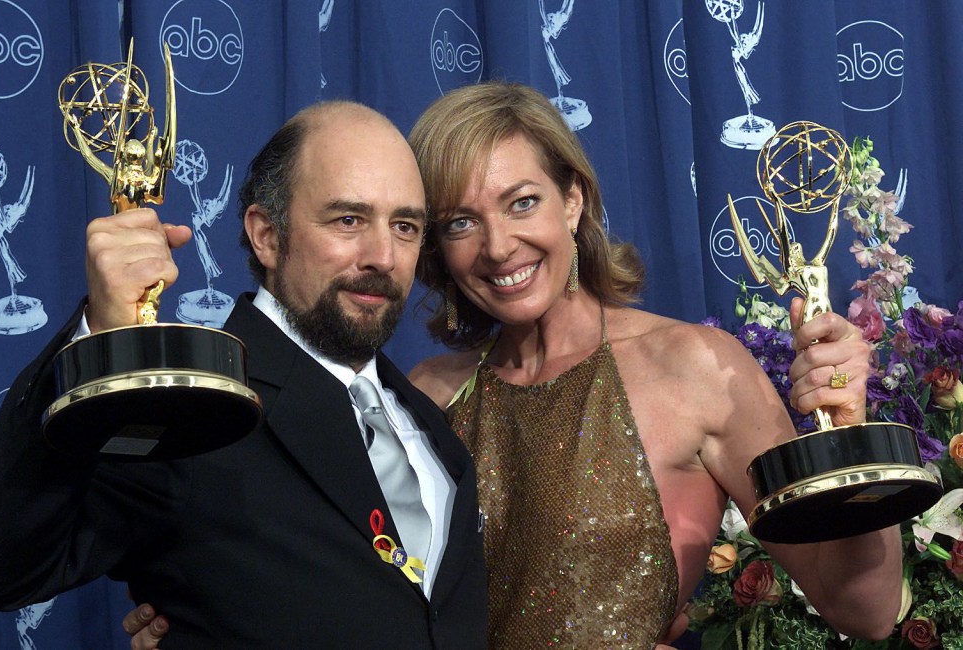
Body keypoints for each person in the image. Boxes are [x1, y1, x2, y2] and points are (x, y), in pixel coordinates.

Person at [126, 82, 903, 649]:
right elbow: (313, 577)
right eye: (461, 220)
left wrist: (853, 433)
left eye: (523, 202)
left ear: (573, 201)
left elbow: (863, 609)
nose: (498, 247)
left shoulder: (698, 369)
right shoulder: (416, 401)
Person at [0, 101, 488, 648]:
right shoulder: (190, 403)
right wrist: (97, 337)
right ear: (266, 235)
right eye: (348, 219)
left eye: (405, 226)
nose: (383, 255)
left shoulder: (432, 428)